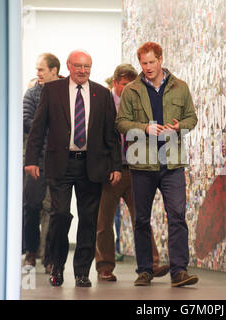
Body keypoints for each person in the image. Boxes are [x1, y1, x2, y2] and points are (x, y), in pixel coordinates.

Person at [25, 49, 122, 288]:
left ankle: (82, 272)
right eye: (78, 66)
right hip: (60, 163)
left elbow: (111, 135)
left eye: (87, 66)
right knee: (59, 215)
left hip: (92, 164)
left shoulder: (102, 93)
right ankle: (56, 266)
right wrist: (31, 160)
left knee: (89, 220)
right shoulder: (52, 91)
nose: (82, 71)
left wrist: (116, 165)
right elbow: (38, 129)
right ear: (68, 66)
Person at [117, 42, 199, 287]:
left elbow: (192, 118)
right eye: (144, 63)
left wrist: (178, 127)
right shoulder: (131, 90)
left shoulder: (180, 87)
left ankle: (179, 271)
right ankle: (144, 270)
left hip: (172, 163)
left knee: (177, 216)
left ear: (161, 59)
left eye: (152, 62)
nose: (148, 67)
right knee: (141, 218)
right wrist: (144, 128)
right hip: (142, 164)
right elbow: (121, 123)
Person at [95, 64, 170, 281]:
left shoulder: (137, 102)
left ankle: (151, 264)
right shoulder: (103, 103)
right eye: (125, 85)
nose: (129, 89)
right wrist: (109, 167)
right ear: (116, 83)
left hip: (136, 169)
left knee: (142, 219)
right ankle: (105, 267)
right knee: (104, 222)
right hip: (111, 171)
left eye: (132, 85)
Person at [23, 53, 61, 273]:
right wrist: (50, 127)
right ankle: (31, 251)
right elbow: (27, 122)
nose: (37, 73)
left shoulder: (66, 92)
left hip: (59, 160)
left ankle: (49, 257)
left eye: (41, 69)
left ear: (53, 70)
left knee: (55, 210)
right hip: (36, 160)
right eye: (37, 69)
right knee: (32, 206)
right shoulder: (32, 94)